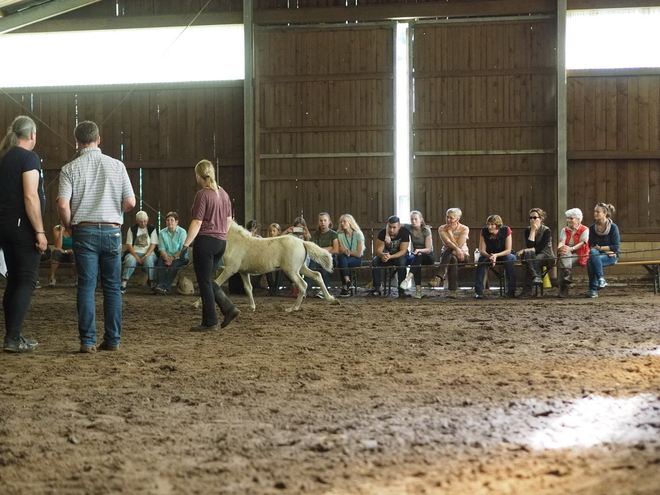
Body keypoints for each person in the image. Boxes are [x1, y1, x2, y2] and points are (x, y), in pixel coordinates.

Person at [57, 120, 136, 353]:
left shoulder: (69, 169)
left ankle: (87, 341)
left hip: (84, 230)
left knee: (86, 286)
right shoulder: (117, 165)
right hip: (112, 230)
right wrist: (114, 209)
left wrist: (69, 226)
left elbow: (62, 205)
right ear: (98, 139)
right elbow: (130, 202)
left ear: (77, 142)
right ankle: (112, 340)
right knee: (112, 287)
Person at [0, 116, 47, 353]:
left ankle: (14, 335)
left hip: (5, 226)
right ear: (32, 135)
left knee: (15, 281)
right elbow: (30, 196)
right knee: (26, 281)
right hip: (22, 227)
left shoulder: (5, 158)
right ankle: (12, 338)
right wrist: (39, 230)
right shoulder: (29, 158)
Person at [181, 159, 240, 332]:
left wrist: (185, 245)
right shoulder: (224, 194)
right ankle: (228, 308)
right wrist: (221, 233)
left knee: (204, 282)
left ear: (198, 175)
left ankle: (210, 321)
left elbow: (197, 222)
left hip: (205, 242)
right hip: (221, 242)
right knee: (207, 280)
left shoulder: (202, 195)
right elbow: (229, 220)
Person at [474, 215, 516, 299]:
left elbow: (508, 250)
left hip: (505, 254)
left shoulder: (506, 230)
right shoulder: (484, 231)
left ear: (498, 225)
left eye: (492, 224)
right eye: (488, 224)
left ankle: (511, 290)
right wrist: (491, 257)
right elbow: (482, 250)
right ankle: (479, 291)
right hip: (490, 255)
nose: (489, 227)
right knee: (481, 260)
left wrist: (496, 255)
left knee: (508, 260)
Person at [516, 207, 555, 297]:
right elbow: (530, 246)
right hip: (533, 256)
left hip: (546, 255)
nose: (532, 220)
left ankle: (527, 290)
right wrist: (533, 230)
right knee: (530, 256)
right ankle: (536, 276)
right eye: (530, 218)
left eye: (535, 217)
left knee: (530, 260)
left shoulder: (546, 231)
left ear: (541, 219)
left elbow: (539, 248)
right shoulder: (528, 230)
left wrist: (524, 250)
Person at [433, 208, 469, 298]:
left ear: (457, 219)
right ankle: (453, 291)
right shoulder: (441, 228)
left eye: (451, 218)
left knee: (450, 249)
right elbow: (447, 243)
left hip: (463, 255)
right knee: (452, 256)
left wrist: (450, 233)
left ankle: (438, 277)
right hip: (447, 256)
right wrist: (456, 248)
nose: (448, 220)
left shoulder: (464, 228)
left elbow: (459, 244)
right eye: (447, 217)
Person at [371, 215, 411, 298]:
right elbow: (378, 250)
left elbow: (403, 251)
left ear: (399, 227)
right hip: (387, 256)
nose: (391, 230)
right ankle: (377, 288)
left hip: (398, 256)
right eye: (389, 227)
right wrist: (383, 255)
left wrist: (390, 256)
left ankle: (401, 290)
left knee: (402, 261)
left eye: (394, 227)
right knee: (375, 261)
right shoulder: (382, 232)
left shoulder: (404, 232)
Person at [585, 203, 620, 298]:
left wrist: (600, 248)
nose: (595, 213)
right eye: (594, 211)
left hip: (611, 256)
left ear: (605, 213)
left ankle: (593, 289)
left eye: (598, 212)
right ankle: (601, 279)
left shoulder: (613, 227)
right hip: (599, 254)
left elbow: (615, 247)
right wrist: (606, 249)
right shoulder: (592, 228)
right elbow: (591, 245)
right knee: (593, 254)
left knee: (591, 260)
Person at [121, 210, 158, 292]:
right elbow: (129, 245)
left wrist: (145, 256)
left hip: (149, 253)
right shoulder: (132, 229)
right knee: (130, 260)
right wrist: (136, 256)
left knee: (149, 262)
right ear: (137, 221)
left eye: (145, 221)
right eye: (141, 222)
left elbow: (153, 244)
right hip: (134, 252)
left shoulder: (152, 229)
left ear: (148, 219)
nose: (143, 223)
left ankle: (153, 283)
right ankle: (124, 283)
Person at [401, 210, 434, 299]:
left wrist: (419, 250)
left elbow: (428, 249)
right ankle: (418, 291)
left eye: (416, 219)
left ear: (421, 220)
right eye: (412, 219)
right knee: (416, 261)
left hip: (428, 256)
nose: (413, 221)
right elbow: (396, 224)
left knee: (418, 257)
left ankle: (407, 279)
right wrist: (387, 235)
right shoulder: (410, 227)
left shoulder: (426, 230)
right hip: (417, 256)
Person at [557, 208, 589, 298]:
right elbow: (562, 241)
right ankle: (567, 275)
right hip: (567, 253)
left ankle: (564, 287)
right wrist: (560, 248)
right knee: (563, 254)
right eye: (567, 218)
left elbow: (582, 243)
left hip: (580, 253)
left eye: (571, 218)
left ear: (578, 219)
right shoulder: (564, 230)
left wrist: (571, 248)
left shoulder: (585, 230)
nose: (568, 220)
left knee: (562, 261)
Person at [153, 211, 188, 295]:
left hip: (180, 257)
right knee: (160, 262)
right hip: (166, 256)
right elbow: (161, 248)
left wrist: (172, 258)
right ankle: (161, 286)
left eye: (172, 220)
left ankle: (165, 287)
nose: (169, 222)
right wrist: (166, 258)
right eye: (168, 220)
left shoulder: (182, 232)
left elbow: (182, 249)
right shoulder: (162, 233)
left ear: (176, 222)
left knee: (174, 265)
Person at [306, 212, 339, 297]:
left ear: (329, 222)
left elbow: (335, 250)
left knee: (325, 269)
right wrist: (328, 248)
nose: (323, 222)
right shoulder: (315, 235)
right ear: (319, 222)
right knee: (311, 267)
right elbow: (312, 249)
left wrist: (320, 250)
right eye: (321, 220)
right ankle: (305, 289)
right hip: (317, 258)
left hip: (330, 258)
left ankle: (325, 291)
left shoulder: (333, 234)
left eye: (325, 220)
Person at [336, 214, 365, 297]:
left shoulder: (358, 234)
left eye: (344, 221)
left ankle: (345, 287)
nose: (342, 223)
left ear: (350, 222)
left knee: (341, 262)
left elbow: (358, 254)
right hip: (345, 258)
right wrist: (344, 251)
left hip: (356, 259)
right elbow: (340, 249)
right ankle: (347, 281)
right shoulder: (340, 235)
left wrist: (348, 252)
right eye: (341, 222)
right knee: (341, 258)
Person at [283, 216, 310, 296]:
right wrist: (287, 231)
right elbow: (279, 238)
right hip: (292, 257)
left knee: (301, 269)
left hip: (303, 257)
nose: (298, 230)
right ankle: (294, 284)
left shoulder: (305, 235)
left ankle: (300, 288)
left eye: (300, 228)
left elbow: (308, 244)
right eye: (297, 228)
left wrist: (306, 233)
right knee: (285, 267)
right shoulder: (291, 235)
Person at [266, 223, 283, 296]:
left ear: (278, 232)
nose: (271, 233)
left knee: (279, 270)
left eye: (274, 231)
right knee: (267, 269)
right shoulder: (267, 240)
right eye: (270, 231)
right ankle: (271, 288)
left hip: (279, 260)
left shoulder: (281, 241)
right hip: (269, 260)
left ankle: (277, 288)